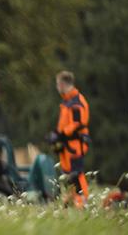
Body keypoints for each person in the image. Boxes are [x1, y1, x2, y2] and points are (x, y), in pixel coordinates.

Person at [45, 70, 90, 208]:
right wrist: (56, 134)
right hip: (67, 144)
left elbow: (77, 124)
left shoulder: (76, 102)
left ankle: (82, 203)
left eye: (58, 85)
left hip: (75, 144)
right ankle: (70, 202)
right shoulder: (67, 101)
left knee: (76, 174)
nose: (57, 88)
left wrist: (61, 135)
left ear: (63, 84)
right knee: (68, 174)